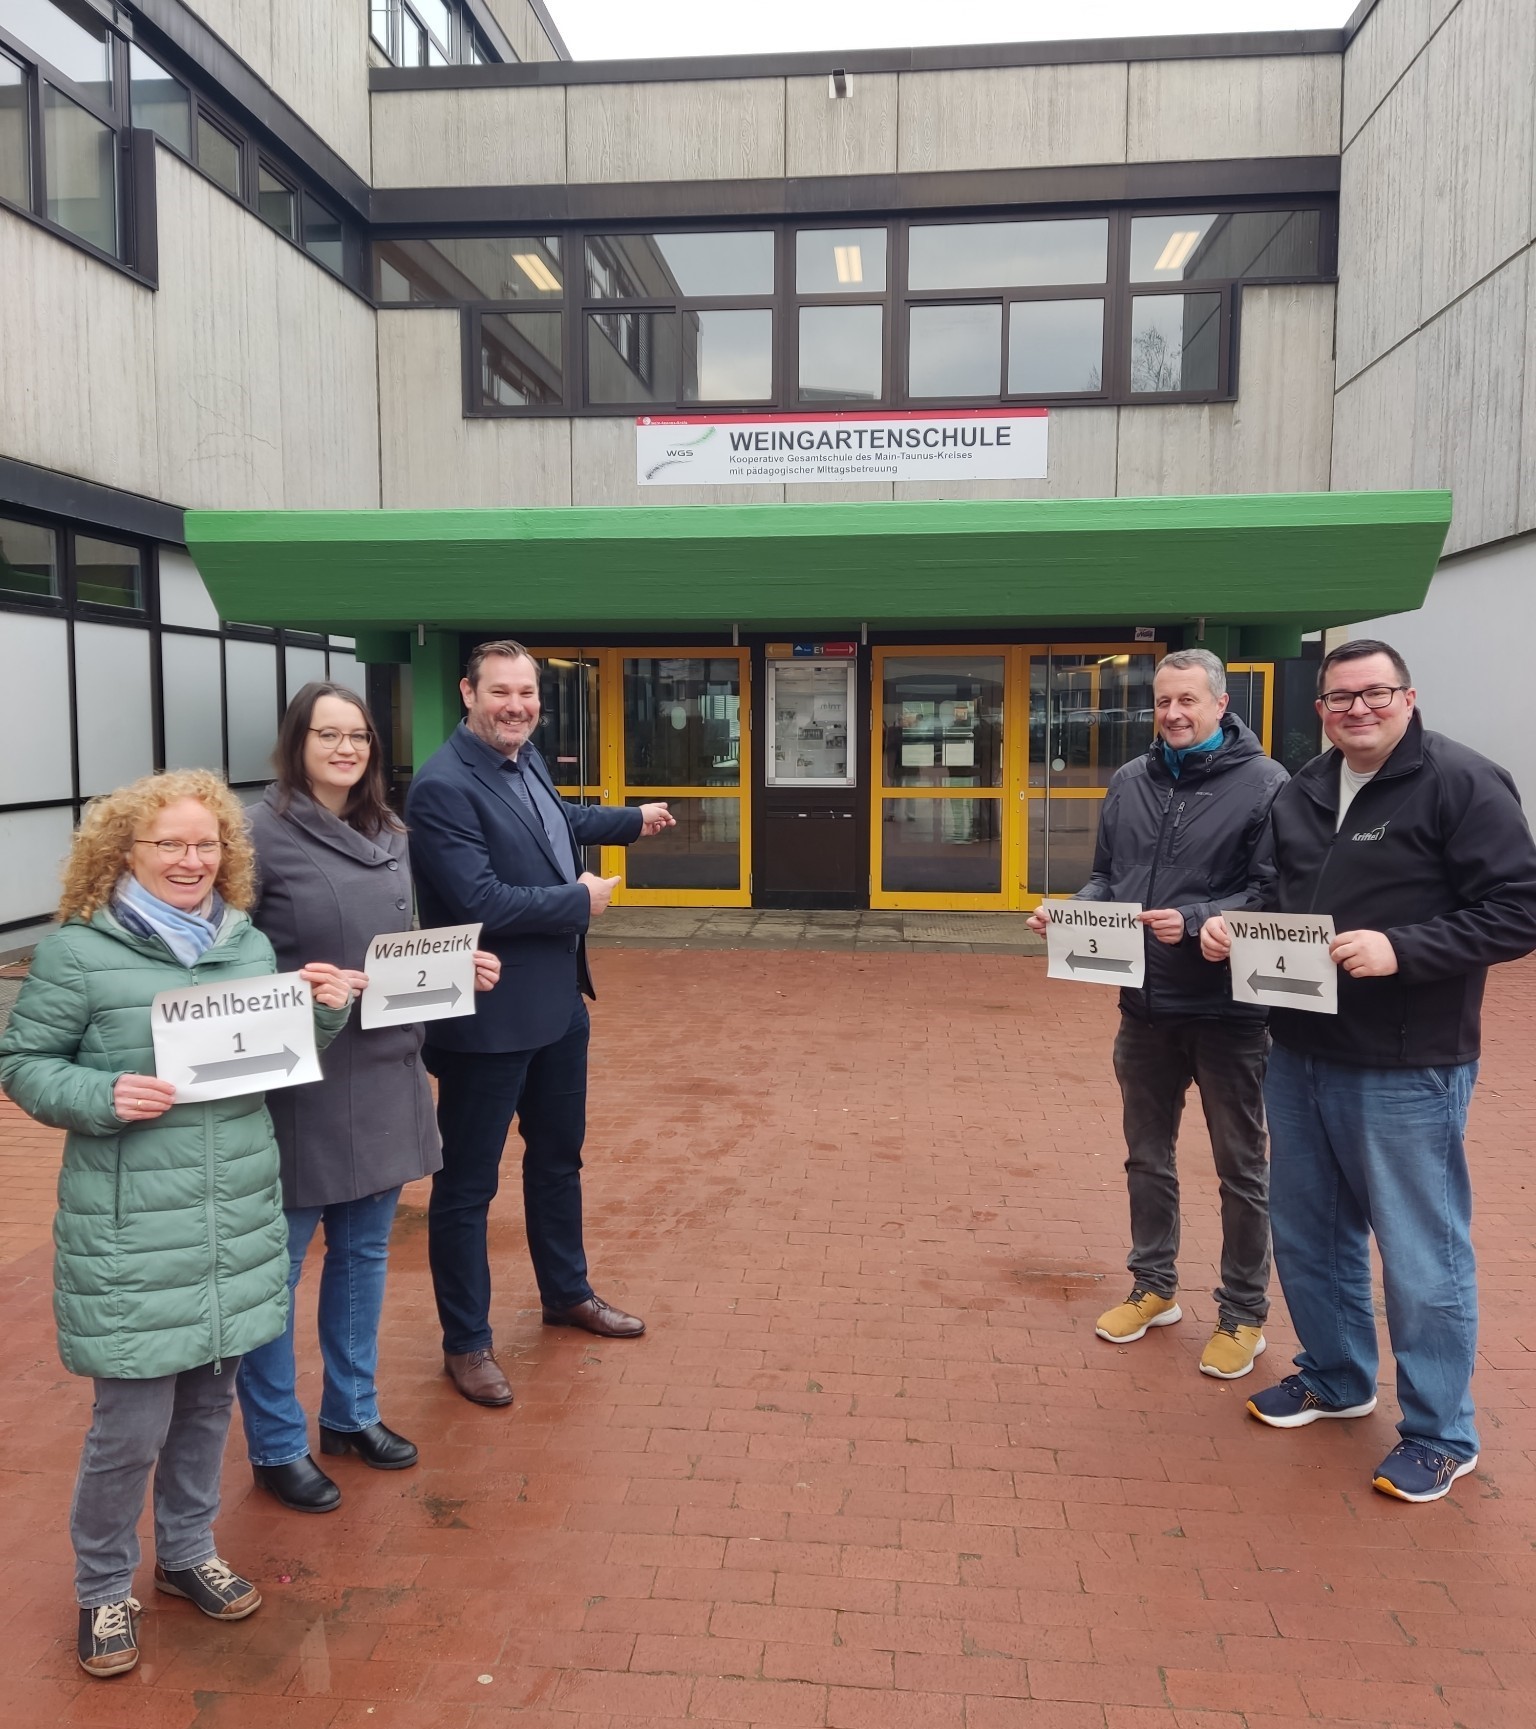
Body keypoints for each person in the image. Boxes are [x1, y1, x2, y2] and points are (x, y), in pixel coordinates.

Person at [0, 770, 352, 1678]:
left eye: (207, 845)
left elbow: (278, 1058)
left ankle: (187, 1551)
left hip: (233, 1214)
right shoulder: (79, 952)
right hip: (131, 1229)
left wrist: (323, 1013)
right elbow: (25, 1061)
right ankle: (103, 1586)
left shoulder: (244, 944)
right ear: (126, 852)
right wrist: (101, 1092)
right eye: (171, 844)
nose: (192, 860)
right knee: (129, 1425)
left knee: (208, 1405)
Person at [1202, 639, 1536, 1500]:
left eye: (1374, 693)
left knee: (1421, 1252)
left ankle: (1439, 1431)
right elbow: (1276, 896)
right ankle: (1338, 1376)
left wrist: (1405, 948)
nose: (1358, 708)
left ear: (1407, 696)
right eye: (1340, 697)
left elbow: (1517, 910)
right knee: (1309, 1233)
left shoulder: (1463, 782)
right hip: (1301, 1047)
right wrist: (1231, 924)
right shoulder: (1305, 788)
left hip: (1406, 1062)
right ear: (1320, 708)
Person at [235, 684, 501, 1512]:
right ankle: (276, 1444)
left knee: (363, 1258)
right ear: (297, 741)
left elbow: (391, 957)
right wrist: (294, 986)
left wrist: (453, 970)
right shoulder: (254, 835)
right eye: (329, 734)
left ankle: (350, 1413)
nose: (346, 748)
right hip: (299, 1083)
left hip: (384, 1072)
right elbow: (222, 965)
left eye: (359, 736)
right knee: (270, 1274)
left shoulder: (391, 831)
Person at [405, 639, 677, 1406]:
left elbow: (556, 822)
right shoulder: (442, 786)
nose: (517, 705)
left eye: (527, 692)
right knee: (466, 1185)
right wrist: (578, 901)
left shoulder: (525, 759)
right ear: (468, 692)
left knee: (558, 1160)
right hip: (488, 1016)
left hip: (559, 1006)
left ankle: (567, 1292)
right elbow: (480, 899)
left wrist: (631, 820)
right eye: (501, 692)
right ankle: (466, 1342)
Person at [1029, 649, 1288, 1380]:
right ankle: (1154, 1286)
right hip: (1143, 1008)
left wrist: (1201, 917)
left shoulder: (1267, 784)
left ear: (1220, 704)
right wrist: (1072, 911)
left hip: (1229, 1012)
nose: (1173, 713)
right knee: (1147, 1155)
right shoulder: (1130, 780)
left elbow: (1273, 893)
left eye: (1187, 701)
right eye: (1162, 702)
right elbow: (1110, 877)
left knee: (1242, 1169)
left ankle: (1243, 1314)